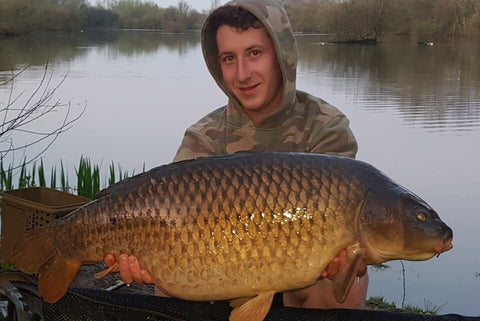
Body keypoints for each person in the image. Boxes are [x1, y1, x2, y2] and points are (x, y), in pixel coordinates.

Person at [104, 0, 368, 310]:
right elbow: (171, 219)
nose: (242, 74)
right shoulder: (204, 137)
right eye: (229, 58)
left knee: (350, 280)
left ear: (281, 54)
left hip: (303, 275)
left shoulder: (325, 127)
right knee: (169, 277)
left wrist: (347, 258)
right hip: (220, 270)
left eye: (254, 53)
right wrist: (147, 260)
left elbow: (346, 216)